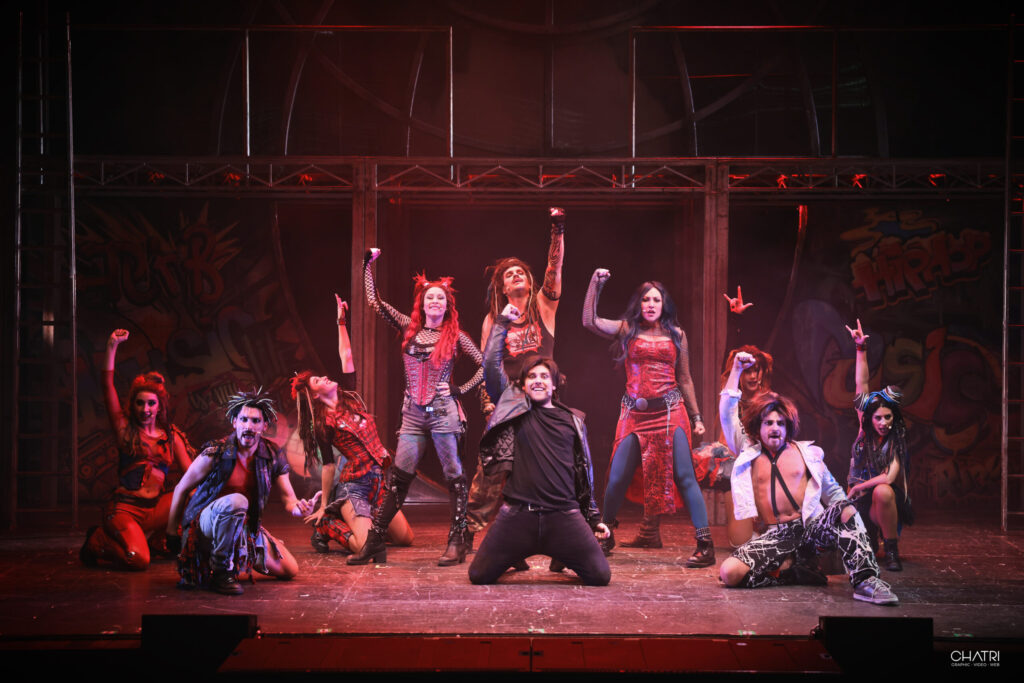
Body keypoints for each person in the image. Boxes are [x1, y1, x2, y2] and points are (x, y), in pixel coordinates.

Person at [352, 248, 484, 566]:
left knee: (454, 475)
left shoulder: (457, 336)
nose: (434, 302)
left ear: (447, 305)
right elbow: (374, 302)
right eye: (429, 298)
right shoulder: (408, 327)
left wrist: (459, 389)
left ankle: (457, 540)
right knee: (400, 477)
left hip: (443, 413)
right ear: (422, 304)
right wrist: (367, 265)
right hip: (412, 414)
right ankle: (375, 541)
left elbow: (485, 367)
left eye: (440, 298)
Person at [468, 303, 611, 586]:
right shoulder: (514, 410)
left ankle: (562, 553)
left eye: (544, 376)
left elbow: (583, 473)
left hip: (563, 516)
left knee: (600, 576)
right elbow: (490, 367)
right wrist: (501, 323)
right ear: (522, 385)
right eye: (531, 377)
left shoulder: (573, 421)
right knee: (478, 576)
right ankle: (516, 553)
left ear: (554, 385)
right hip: (518, 516)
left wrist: (594, 519)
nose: (537, 381)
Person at [582, 268, 713, 567]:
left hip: (670, 412)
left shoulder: (677, 334)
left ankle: (705, 545)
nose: (651, 304)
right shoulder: (627, 329)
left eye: (656, 299)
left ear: (664, 304)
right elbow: (589, 320)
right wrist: (596, 284)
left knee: (684, 475)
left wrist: (696, 416)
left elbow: (685, 378)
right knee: (616, 477)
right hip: (634, 414)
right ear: (638, 304)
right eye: (646, 299)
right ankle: (606, 535)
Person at [718, 392, 899, 605]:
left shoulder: (808, 454)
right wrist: (736, 374)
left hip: (810, 530)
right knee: (729, 573)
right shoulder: (749, 453)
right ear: (758, 427)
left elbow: (834, 494)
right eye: (768, 423)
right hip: (777, 535)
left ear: (788, 427)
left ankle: (866, 580)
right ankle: (794, 574)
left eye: (780, 423)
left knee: (844, 507)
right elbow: (727, 414)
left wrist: (851, 529)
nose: (775, 428)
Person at [467, 206, 565, 551]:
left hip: (542, 399)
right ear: (504, 287)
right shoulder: (493, 319)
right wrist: (488, 405)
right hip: (507, 401)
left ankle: (561, 538)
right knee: (491, 471)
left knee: (549, 471)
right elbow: (487, 366)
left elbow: (554, 270)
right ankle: (466, 534)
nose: (516, 276)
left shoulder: (543, 307)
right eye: (509, 275)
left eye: (520, 272)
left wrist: (557, 230)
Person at [292, 295, 414, 554]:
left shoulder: (351, 398)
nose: (325, 377)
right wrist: (323, 505)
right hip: (354, 486)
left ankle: (368, 525)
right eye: (317, 381)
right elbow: (328, 466)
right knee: (363, 548)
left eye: (321, 376)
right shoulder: (323, 423)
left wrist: (341, 322)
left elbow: (346, 356)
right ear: (314, 396)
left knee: (405, 538)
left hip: (379, 483)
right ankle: (328, 525)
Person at [166, 389, 316, 595]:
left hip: (243, 527)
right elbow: (181, 489)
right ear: (234, 422)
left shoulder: (272, 455)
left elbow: (288, 498)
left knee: (290, 569)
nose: (248, 426)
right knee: (238, 501)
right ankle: (221, 573)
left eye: (255, 421)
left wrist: (300, 508)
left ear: (264, 426)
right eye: (244, 419)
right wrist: (172, 533)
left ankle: (238, 553)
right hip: (206, 526)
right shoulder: (215, 452)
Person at [80, 329, 194, 570]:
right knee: (138, 560)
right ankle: (98, 541)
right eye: (140, 403)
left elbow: (193, 475)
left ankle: (159, 542)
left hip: (154, 510)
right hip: (125, 510)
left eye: (151, 403)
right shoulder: (125, 430)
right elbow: (107, 386)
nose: (145, 409)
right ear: (132, 405)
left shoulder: (171, 436)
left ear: (159, 406)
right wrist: (112, 346)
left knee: (194, 495)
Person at [846, 319, 913, 571]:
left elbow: (889, 477)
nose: (883, 422)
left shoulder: (897, 440)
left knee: (882, 491)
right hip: (859, 500)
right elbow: (861, 384)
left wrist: (860, 487)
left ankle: (892, 550)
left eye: (888, 417)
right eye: (878, 418)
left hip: (882, 503)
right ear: (869, 418)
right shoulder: (864, 431)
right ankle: (870, 542)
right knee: (861, 550)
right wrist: (860, 349)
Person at [706, 342, 775, 547]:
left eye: (756, 370)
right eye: (747, 372)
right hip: (737, 469)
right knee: (739, 542)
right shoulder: (731, 401)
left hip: (763, 470)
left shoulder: (770, 402)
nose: (753, 376)